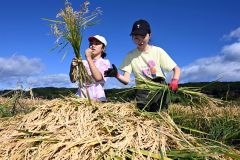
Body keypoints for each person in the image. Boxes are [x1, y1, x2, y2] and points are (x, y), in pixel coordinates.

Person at [104, 19, 181, 111]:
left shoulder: (158, 51)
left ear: (149, 35)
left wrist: (175, 80)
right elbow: (126, 81)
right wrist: (116, 75)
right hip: (142, 91)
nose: (140, 40)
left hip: (159, 89)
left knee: (161, 118)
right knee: (144, 120)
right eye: (136, 37)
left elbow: (176, 69)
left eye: (143, 36)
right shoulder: (130, 55)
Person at [69, 35, 110, 101]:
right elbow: (73, 80)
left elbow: (98, 78)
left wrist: (88, 58)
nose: (93, 45)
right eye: (91, 44)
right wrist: (72, 67)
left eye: (96, 44)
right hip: (80, 97)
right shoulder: (83, 62)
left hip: (97, 98)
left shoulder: (105, 62)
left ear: (103, 48)